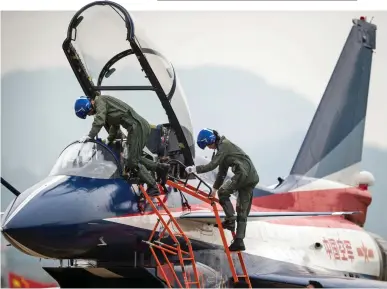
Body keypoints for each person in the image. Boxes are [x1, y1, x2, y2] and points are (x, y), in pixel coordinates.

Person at [74, 95, 169, 196]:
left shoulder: (100, 101)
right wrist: (108, 142)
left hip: (137, 127)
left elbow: (99, 120)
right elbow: (114, 127)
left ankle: (153, 186)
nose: (90, 115)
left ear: (89, 106)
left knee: (131, 162)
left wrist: (90, 136)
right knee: (134, 158)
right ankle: (160, 168)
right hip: (137, 127)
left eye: (88, 113)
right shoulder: (107, 106)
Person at [185, 128, 259, 251]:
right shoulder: (224, 150)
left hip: (243, 173)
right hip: (251, 177)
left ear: (210, 140)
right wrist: (213, 190)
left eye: (208, 145)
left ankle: (230, 220)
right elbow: (221, 174)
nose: (209, 148)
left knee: (223, 192)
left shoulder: (224, 146)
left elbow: (211, 165)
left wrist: (194, 169)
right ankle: (239, 241)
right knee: (242, 210)